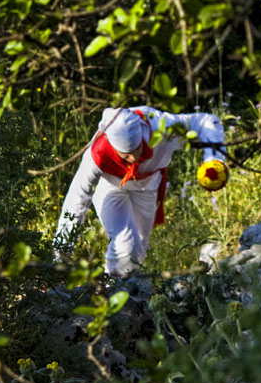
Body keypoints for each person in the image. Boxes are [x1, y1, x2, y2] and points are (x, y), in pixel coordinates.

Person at [56, 106, 227, 276]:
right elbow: (76, 201)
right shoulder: (98, 153)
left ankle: (131, 292)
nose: (134, 158)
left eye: (137, 150)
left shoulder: (162, 128)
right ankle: (114, 292)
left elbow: (207, 121)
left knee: (139, 246)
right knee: (124, 243)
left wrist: (213, 161)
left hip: (147, 185)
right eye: (126, 155)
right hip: (110, 185)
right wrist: (61, 257)